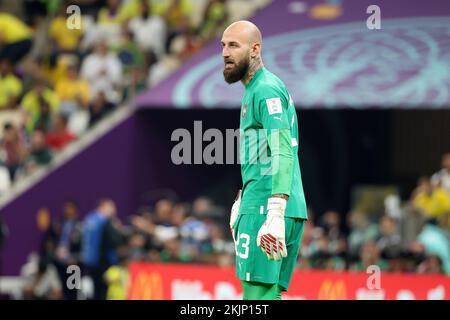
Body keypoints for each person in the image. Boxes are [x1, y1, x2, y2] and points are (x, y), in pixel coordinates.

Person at [223, 21, 308, 300]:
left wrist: (273, 210)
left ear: (255, 49)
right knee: (269, 295)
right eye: (223, 45)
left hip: (267, 204)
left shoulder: (264, 90)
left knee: (256, 297)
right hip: (280, 202)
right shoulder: (265, 87)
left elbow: (282, 149)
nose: (225, 52)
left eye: (234, 45)